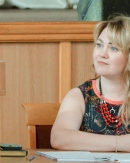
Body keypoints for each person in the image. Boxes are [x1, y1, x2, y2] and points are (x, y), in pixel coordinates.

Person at [51, 14, 130, 151]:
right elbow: (59, 138)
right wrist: (120, 143)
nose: (102, 54)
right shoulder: (81, 95)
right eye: (99, 45)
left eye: (113, 48)